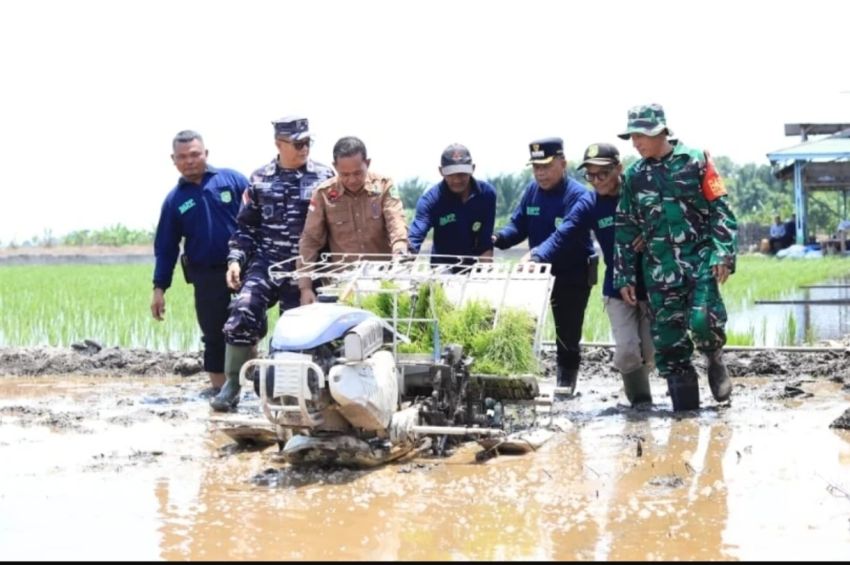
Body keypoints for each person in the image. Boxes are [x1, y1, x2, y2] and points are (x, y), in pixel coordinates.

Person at [613, 103, 738, 412]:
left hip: (699, 261)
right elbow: (626, 227)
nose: (636, 143)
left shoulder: (696, 161)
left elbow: (720, 208)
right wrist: (624, 275)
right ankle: (686, 418)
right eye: (632, 136)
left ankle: (714, 358)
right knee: (669, 345)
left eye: (641, 135)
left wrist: (723, 252)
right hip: (659, 269)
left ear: (660, 131)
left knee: (703, 321)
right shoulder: (633, 176)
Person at [210, 116, 335, 412]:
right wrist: (235, 260)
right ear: (279, 144)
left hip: (306, 268)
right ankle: (233, 383)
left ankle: (293, 394)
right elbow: (246, 228)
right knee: (242, 310)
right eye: (297, 143)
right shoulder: (259, 179)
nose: (304, 148)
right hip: (266, 264)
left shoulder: (324, 177)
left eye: (308, 142)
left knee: (297, 329)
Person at [522, 143, 654, 406]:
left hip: (652, 283)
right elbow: (564, 233)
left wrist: (650, 232)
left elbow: (668, 217)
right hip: (617, 287)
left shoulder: (640, 192)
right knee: (628, 350)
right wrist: (536, 255)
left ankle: (644, 387)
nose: (596, 181)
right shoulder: (590, 203)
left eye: (602, 174)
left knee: (650, 351)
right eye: (590, 176)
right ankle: (640, 405)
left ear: (619, 168)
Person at [492, 137, 597, 396]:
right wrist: (498, 238)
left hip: (572, 274)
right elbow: (519, 225)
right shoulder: (532, 192)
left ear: (563, 163)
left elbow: (565, 235)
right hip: (537, 274)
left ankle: (565, 387)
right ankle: (521, 383)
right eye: (536, 168)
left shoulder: (579, 196)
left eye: (546, 167)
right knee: (524, 326)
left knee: (567, 334)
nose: (540, 173)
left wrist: (536, 254)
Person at [152, 130, 249, 398]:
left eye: (195, 154)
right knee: (214, 335)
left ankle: (247, 386)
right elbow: (166, 248)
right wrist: (159, 288)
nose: (190, 161)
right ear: (174, 160)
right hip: (206, 277)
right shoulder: (175, 201)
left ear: (206, 154)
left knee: (248, 327)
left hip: (243, 271)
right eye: (182, 157)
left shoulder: (233, 181)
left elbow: (257, 221)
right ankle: (222, 393)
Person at [297, 136, 410, 305]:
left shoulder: (384, 187)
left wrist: (400, 251)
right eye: (344, 174)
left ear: (368, 163)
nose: (352, 180)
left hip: (382, 282)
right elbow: (310, 240)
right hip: (342, 285)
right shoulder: (324, 194)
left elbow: (396, 223)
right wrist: (305, 288)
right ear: (335, 167)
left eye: (358, 173)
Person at [407, 143, 497, 269]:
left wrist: (484, 275)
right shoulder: (431, 200)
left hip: (475, 266)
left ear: (472, 168)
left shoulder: (486, 194)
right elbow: (417, 232)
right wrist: (407, 252)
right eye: (451, 174)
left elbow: (485, 240)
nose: (457, 180)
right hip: (442, 269)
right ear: (441, 171)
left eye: (462, 174)